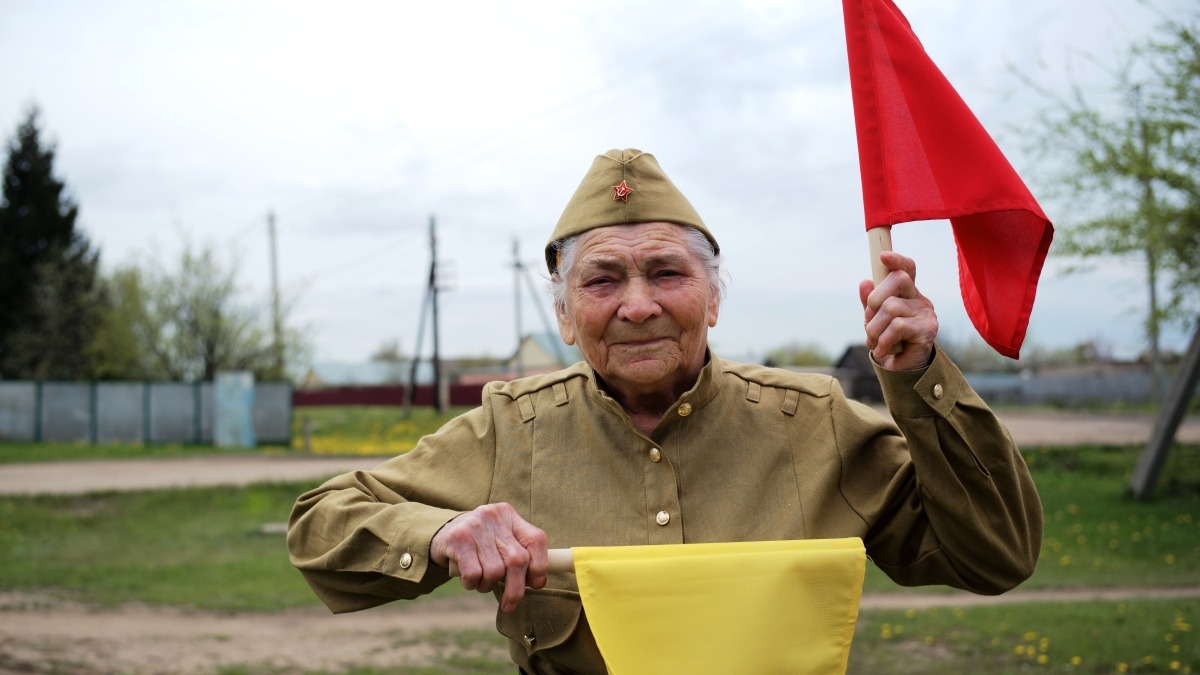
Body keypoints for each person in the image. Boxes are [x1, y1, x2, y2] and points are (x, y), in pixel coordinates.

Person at [288, 148, 1043, 674]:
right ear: (564, 315)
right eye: (603, 280)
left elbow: (996, 553)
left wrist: (921, 379)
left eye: (666, 272)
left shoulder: (813, 419)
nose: (638, 304)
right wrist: (439, 533)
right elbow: (320, 525)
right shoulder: (512, 427)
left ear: (713, 298)